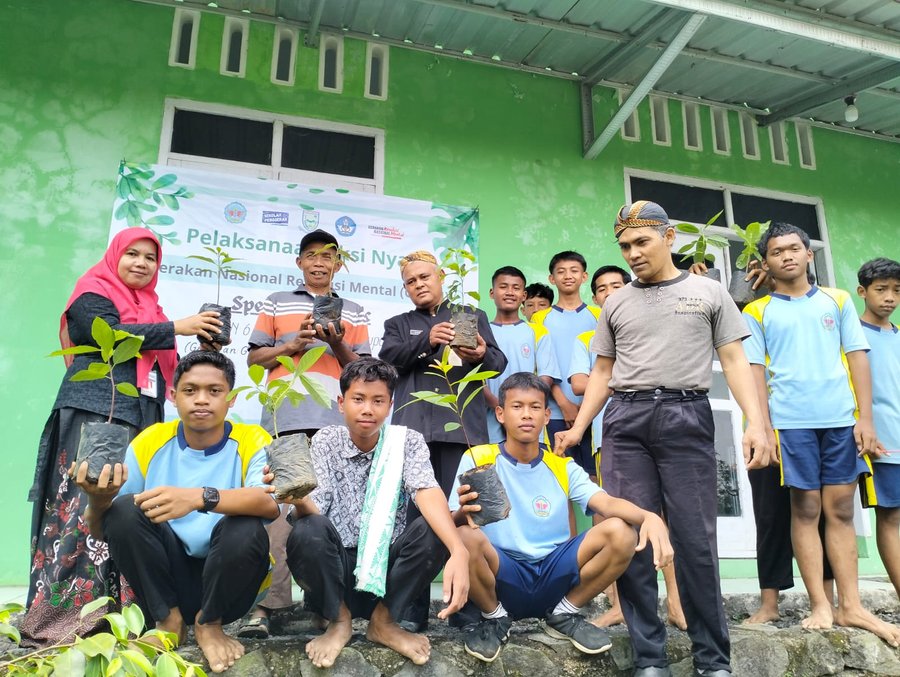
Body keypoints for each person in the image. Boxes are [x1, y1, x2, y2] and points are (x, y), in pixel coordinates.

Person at [556, 200, 773, 677]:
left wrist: (756, 422)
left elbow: (734, 360)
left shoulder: (708, 292)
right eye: (624, 246)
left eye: (641, 242)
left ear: (669, 237)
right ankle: (650, 659)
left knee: (696, 540)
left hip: (686, 415)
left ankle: (712, 659)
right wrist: (579, 427)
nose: (633, 253)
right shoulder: (615, 302)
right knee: (632, 536)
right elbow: (603, 371)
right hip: (625, 421)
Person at [22, 229, 222, 645]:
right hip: (95, 414)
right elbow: (107, 334)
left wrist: (199, 345)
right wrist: (177, 327)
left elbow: (162, 366)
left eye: (150, 258)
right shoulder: (92, 291)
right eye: (132, 253)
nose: (141, 263)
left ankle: (126, 616)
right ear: (115, 256)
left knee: (130, 510)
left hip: (142, 419)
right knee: (83, 505)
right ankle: (65, 619)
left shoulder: (151, 308)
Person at [73, 350, 279, 673]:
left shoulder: (253, 438)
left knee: (246, 525)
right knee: (124, 509)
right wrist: (97, 501)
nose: (201, 399)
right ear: (172, 395)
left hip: (231, 581)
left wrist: (199, 498)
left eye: (214, 391)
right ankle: (168, 621)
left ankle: (210, 623)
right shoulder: (150, 442)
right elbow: (106, 529)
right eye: (190, 390)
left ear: (231, 399)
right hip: (166, 581)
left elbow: (269, 504)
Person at [743, 224, 900, 647]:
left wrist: (865, 419)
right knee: (806, 508)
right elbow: (754, 373)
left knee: (842, 510)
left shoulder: (838, 300)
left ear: (809, 254)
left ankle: (852, 605)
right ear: (766, 261)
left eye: (794, 248)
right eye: (777, 251)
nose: (787, 256)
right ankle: (820, 605)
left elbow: (857, 358)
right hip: (791, 424)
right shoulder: (757, 311)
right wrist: (764, 429)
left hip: (840, 421)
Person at [450, 372, 673, 663]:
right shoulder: (478, 458)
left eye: (534, 407)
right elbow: (451, 520)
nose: (526, 415)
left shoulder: (562, 466)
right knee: (464, 536)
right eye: (517, 406)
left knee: (621, 531)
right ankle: (495, 618)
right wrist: (462, 512)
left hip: (554, 574)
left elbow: (605, 502)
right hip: (502, 574)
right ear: (501, 414)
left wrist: (648, 517)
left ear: (546, 416)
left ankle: (565, 613)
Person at [277, 358, 469, 668]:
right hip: (335, 573)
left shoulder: (406, 441)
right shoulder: (326, 441)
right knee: (307, 528)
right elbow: (315, 508)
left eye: (378, 401)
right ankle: (339, 620)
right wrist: (298, 498)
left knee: (432, 530)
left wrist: (458, 549)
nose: (368, 409)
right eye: (358, 399)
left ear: (390, 406)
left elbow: (426, 490)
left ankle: (384, 622)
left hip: (386, 577)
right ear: (341, 403)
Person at [241, 228, 371, 638]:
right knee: (279, 510)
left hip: (336, 424)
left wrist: (337, 344)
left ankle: (325, 604)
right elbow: (255, 359)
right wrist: (292, 345)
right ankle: (267, 606)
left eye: (327, 255)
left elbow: (363, 371)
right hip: (285, 420)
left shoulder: (354, 311)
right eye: (311, 255)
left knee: (327, 514)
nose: (319, 262)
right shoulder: (277, 301)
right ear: (299, 262)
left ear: (338, 264)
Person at [569, 265, 687, 632]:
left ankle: (676, 602)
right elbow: (581, 383)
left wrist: (612, 376)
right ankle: (620, 605)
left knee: (663, 517)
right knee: (617, 520)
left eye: (616, 285)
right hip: (610, 438)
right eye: (602, 288)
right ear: (595, 298)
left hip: (661, 432)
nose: (609, 293)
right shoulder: (587, 339)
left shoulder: (649, 328)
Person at [380, 250, 507, 497]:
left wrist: (480, 356)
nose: (419, 284)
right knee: (414, 509)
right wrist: (426, 341)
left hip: (462, 430)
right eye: (411, 281)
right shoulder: (397, 324)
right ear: (405, 288)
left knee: (464, 505)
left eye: (424, 277)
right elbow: (388, 363)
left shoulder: (470, 316)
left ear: (441, 276)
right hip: (413, 432)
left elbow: (498, 365)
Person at [531, 251, 602, 477]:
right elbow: (542, 367)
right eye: (561, 272)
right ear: (552, 278)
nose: (568, 276)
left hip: (595, 410)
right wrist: (564, 404)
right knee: (559, 477)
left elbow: (604, 364)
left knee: (595, 477)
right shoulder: (540, 318)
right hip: (555, 411)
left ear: (584, 276)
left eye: (574, 271)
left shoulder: (600, 315)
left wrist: (588, 405)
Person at [857, 258, 900, 599]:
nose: (890, 298)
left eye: (897, 291)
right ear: (863, 292)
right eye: (881, 289)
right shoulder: (854, 337)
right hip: (883, 444)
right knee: (892, 518)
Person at [484, 266, 560, 443]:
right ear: (492, 293)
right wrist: (500, 408)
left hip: (529, 422)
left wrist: (521, 408)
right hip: (489, 423)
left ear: (524, 295)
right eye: (503, 287)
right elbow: (475, 381)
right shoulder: (482, 331)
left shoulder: (538, 331)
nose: (510, 292)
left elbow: (546, 376)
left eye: (516, 288)